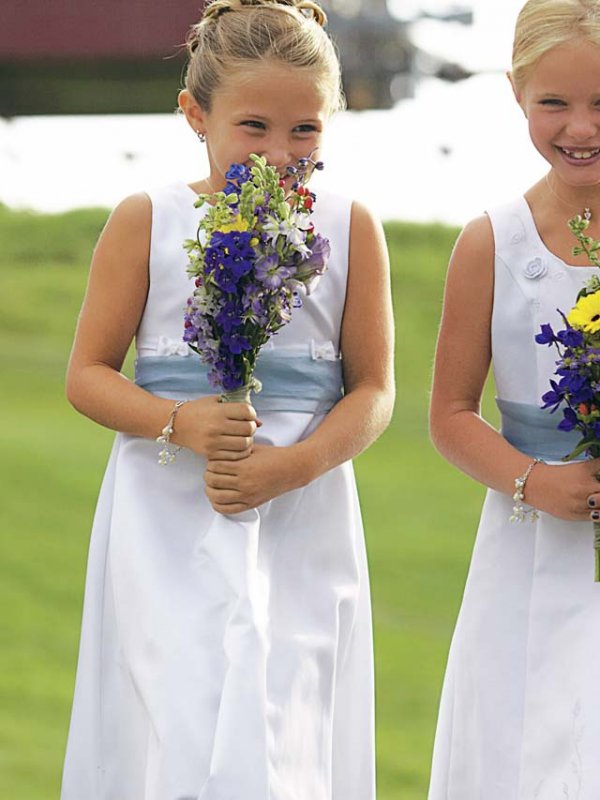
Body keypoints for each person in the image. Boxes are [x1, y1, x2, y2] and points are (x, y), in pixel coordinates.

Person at [60, 1, 394, 798]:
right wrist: (179, 421)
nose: (281, 154)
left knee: (288, 719)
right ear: (194, 114)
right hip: (166, 511)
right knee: (177, 715)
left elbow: (374, 389)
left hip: (300, 509)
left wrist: (297, 465)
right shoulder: (148, 220)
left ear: (333, 119)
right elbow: (88, 374)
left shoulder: (350, 228)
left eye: (306, 131)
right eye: (255, 127)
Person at [428, 0, 600, 797]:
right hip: (527, 539)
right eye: (555, 103)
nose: (580, 127)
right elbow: (451, 415)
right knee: (521, 748)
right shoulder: (492, 240)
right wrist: (536, 480)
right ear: (516, 94)